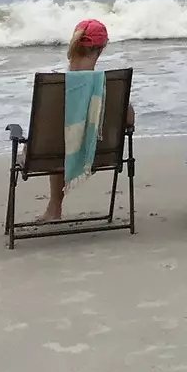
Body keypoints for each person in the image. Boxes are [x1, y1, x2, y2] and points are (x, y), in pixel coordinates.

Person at [44, 17, 131, 221]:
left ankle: (54, 206)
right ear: (100, 49)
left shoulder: (54, 86)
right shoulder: (106, 86)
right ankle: (54, 206)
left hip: (47, 155)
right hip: (99, 152)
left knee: (59, 140)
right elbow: (130, 120)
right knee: (66, 141)